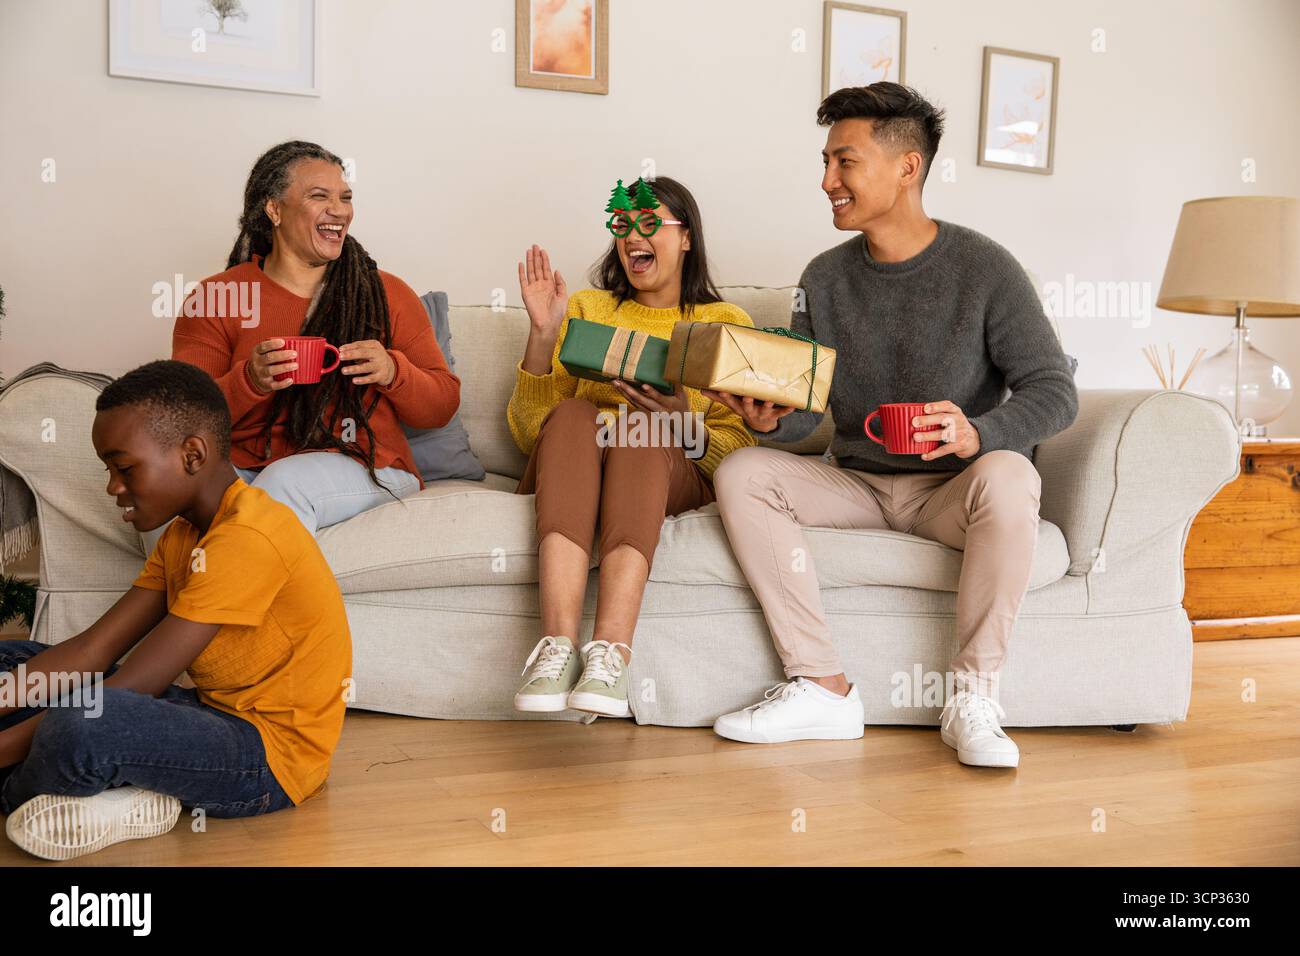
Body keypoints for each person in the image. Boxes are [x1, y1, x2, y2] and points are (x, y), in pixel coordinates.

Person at [707, 83, 1078, 767]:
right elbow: (806, 417)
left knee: (1010, 472)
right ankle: (822, 689)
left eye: (844, 162)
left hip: (951, 493)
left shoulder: (987, 268)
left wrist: (978, 433)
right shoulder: (821, 277)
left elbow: (1055, 391)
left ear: (907, 167)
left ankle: (973, 697)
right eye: (825, 163)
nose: (827, 182)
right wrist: (767, 420)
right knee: (742, 470)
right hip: (858, 486)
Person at [0, 360, 351, 859]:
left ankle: (28, 794)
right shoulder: (185, 535)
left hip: (268, 761)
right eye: (108, 470)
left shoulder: (249, 535)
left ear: (192, 455)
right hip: (203, 715)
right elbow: (92, 649)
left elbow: (134, 685)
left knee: (80, 722)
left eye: (124, 468)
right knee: (14, 661)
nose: (112, 486)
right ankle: (121, 786)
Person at [508, 177, 756, 719]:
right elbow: (531, 434)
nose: (632, 237)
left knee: (641, 430)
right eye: (622, 225)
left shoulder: (725, 323)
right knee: (576, 411)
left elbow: (739, 450)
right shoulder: (587, 308)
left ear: (686, 238)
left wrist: (683, 422)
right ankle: (555, 649)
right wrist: (545, 336)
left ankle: (612, 655)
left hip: (663, 474)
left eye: (650, 224)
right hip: (573, 470)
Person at [173, 140, 461, 535]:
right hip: (246, 465)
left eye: (345, 197)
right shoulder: (215, 299)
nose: (339, 210)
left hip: (365, 465)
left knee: (282, 485)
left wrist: (394, 371)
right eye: (319, 196)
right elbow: (184, 420)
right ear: (274, 209)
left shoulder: (385, 293)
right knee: (174, 484)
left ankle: (218, 596)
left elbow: (441, 406)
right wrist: (250, 381)